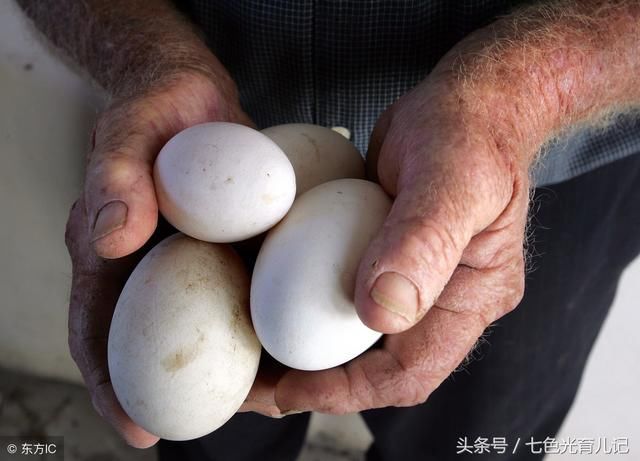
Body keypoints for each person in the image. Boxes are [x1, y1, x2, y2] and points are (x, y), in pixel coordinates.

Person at [18, 0, 640, 459]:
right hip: (194, 148)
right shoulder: (207, 180)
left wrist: (527, 93)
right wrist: (141, 53)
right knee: (201, 413)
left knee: (482, 441)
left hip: (535, 157)